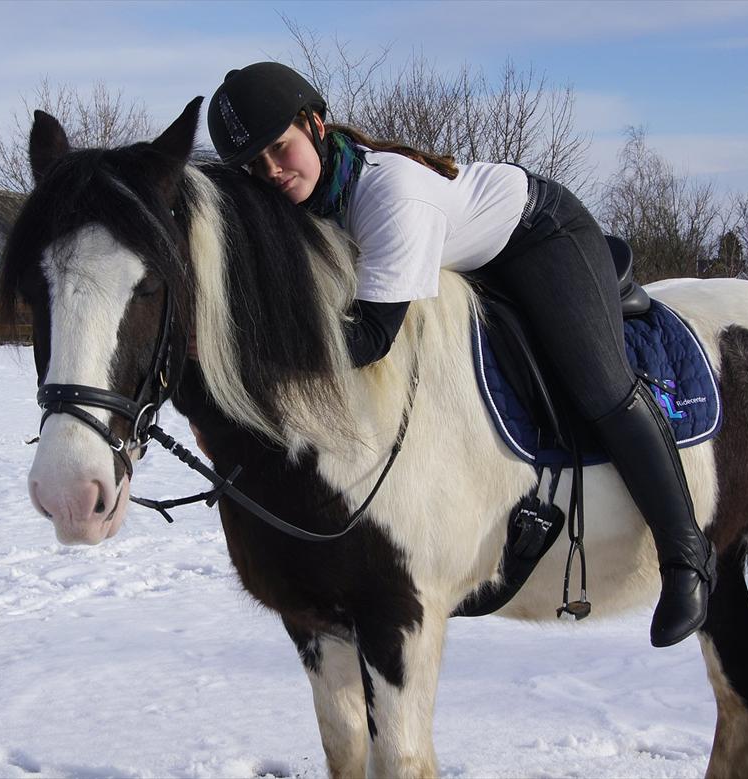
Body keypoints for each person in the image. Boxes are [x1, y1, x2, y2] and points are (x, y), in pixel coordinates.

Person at [206, 62, 715, 648]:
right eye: (254, 165)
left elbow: (371, 338)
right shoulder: (298, 202)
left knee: (599, 383)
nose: (271, 170)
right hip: (468, 247)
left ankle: (685, 555)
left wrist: (249, 352)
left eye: (279, 147)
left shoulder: (389, 194)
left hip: (540, 234)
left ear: (315, 123)